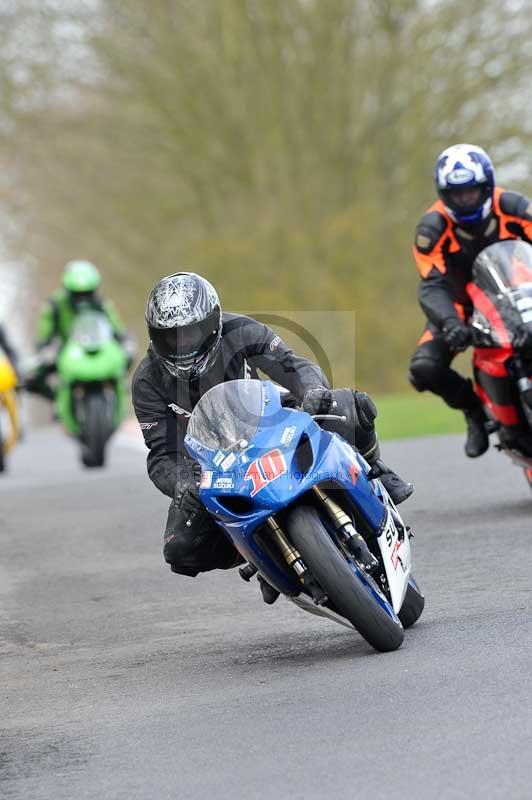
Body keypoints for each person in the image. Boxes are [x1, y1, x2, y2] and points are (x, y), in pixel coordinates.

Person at [132, 272, 413, 603]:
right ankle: (260, 553)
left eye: (192, 332)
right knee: (181, 548)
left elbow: (291, 365)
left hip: (272, 424)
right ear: (154, 337)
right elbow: (161, 453)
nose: (184, 345)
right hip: (213, 467)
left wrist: (313, 392)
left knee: (352, 407)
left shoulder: (241, 330)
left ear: (213, 322)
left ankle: (372, 465)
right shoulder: (147, 381)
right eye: (172, 338)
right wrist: (183, 481)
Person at [409, 143, 532, 457]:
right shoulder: (431, 228)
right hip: (461, 306)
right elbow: (432, 285)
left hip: (518, 293)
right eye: (456, 194)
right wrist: (450, 322)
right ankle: (474, 411)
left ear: (487, 185)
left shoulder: (515, 207)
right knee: (425, 368)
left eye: (472, 191)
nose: (465, 200)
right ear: (443, 193)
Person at [26, 260, 132, 400]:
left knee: (129, 355)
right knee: (30, 377)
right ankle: (58, 400)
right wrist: (43, 349)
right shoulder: (54, 306)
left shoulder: (101, 304)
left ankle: (122, 394)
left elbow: (117, 326)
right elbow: (43, 333)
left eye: (87, 293)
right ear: (67, 290)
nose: (82, 299)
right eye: (77, 294)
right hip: (65, 352)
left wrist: (125, 341)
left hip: (98, 349)